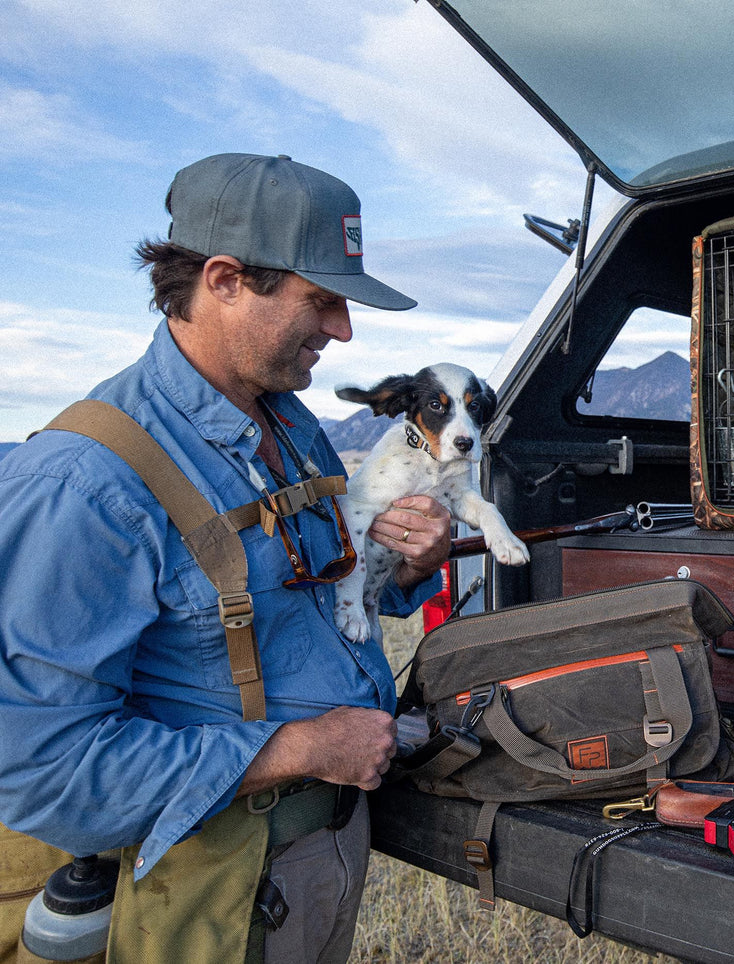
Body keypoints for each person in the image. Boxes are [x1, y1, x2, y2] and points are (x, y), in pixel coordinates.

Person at [0, 154, 452, 963]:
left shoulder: (287, 421)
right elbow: (40, 767)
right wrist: (303, 750)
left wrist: (404, 571)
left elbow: (304, 603)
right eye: (322, 300)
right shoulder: (83, 483)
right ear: (224, 279)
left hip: (316, 853)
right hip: (202, 885)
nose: (343, 330)